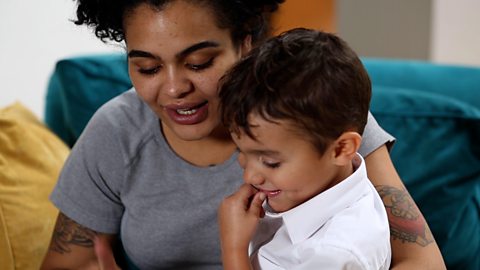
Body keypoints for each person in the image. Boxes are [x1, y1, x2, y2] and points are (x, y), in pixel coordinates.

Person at [40, 0, 445, 269]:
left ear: (246, 44)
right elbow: (71, 263)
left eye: (199, 62)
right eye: (147, 68)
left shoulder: (314, 111)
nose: (174, 88)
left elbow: (421, 261)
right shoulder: (118, 132)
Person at [217, 28, 391, 269]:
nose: (249, 176)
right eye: (242, 154)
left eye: (271, 162)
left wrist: (233, 248)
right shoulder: (316, 187)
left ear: (341, 149)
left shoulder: (333, 254)